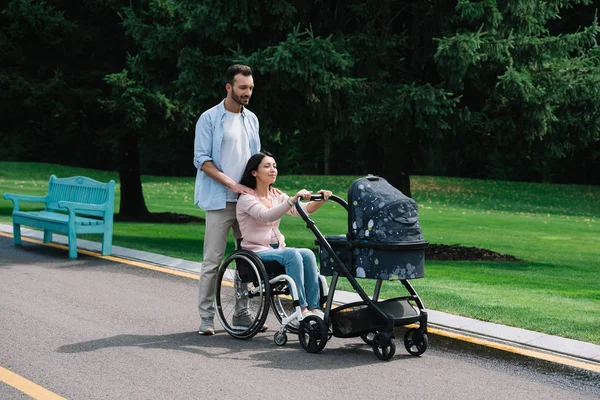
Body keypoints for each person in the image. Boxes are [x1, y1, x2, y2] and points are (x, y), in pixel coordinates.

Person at [194, 64, 270, 336]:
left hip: (247, 202)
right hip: (219, 200)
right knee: (212, 261)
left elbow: (257, 161)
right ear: (229, 87)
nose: (247, 92)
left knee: (248, 260)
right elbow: (202, 160)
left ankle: (242, 313)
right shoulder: (209, 118)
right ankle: (206, 317)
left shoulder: (252, 119)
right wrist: (232, 184)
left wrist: (260, 189)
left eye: (250, 88)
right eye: (242, 88)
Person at [236, 152, 332, 319]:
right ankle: (301, 309)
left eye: (274, 166)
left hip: (278, 248)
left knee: (308, 253)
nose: (273, 170)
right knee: (292, 254)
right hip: (256, 251)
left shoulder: (277, 195)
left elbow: (304, 210)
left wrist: (321, 199)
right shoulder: (246, 198)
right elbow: (266, 215)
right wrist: (292, 199)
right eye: (267, 166)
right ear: (254, 172)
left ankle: (314, 308)